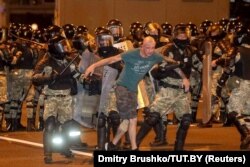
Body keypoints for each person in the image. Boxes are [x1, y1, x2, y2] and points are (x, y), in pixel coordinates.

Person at [84, 36, 178, 151]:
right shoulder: (132, 54)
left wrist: (177, 62)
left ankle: (112, 144)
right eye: (147, 48)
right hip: (122, 88)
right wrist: (93, 65)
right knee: (133, 119)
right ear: (142, 46)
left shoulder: (154, 56)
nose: (150, 51)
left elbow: (165, 58)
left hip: (133, 90)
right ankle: (134, 148)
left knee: (126, 121)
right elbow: (112, 59)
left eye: (152, 48)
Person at [136, 24, 202, 151]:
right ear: (174, 36)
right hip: (168, 89)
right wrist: (178, 66)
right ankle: (135, 144)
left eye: (185, 36)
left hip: (182, 92)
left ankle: (178, 149)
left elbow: (199, 66)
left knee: (186, 120)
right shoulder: (168, 50)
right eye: (180, 36)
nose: (183, 38)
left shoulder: (191, 51)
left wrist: (215, 63)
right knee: (153, 117)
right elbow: (163, 66)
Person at [32, 35, 81, 163]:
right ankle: (48, 154)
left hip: (66, 97)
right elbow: (34, 78)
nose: (65, 46)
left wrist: (86, 79)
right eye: (62, 44)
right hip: (51, 97)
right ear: (55, 47)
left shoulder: (69, 61)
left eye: (65, 44)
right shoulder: (45, 62)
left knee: (67, 126)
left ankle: (64, 147)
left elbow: (78, 75)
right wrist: (48, 78)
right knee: (50, 124)